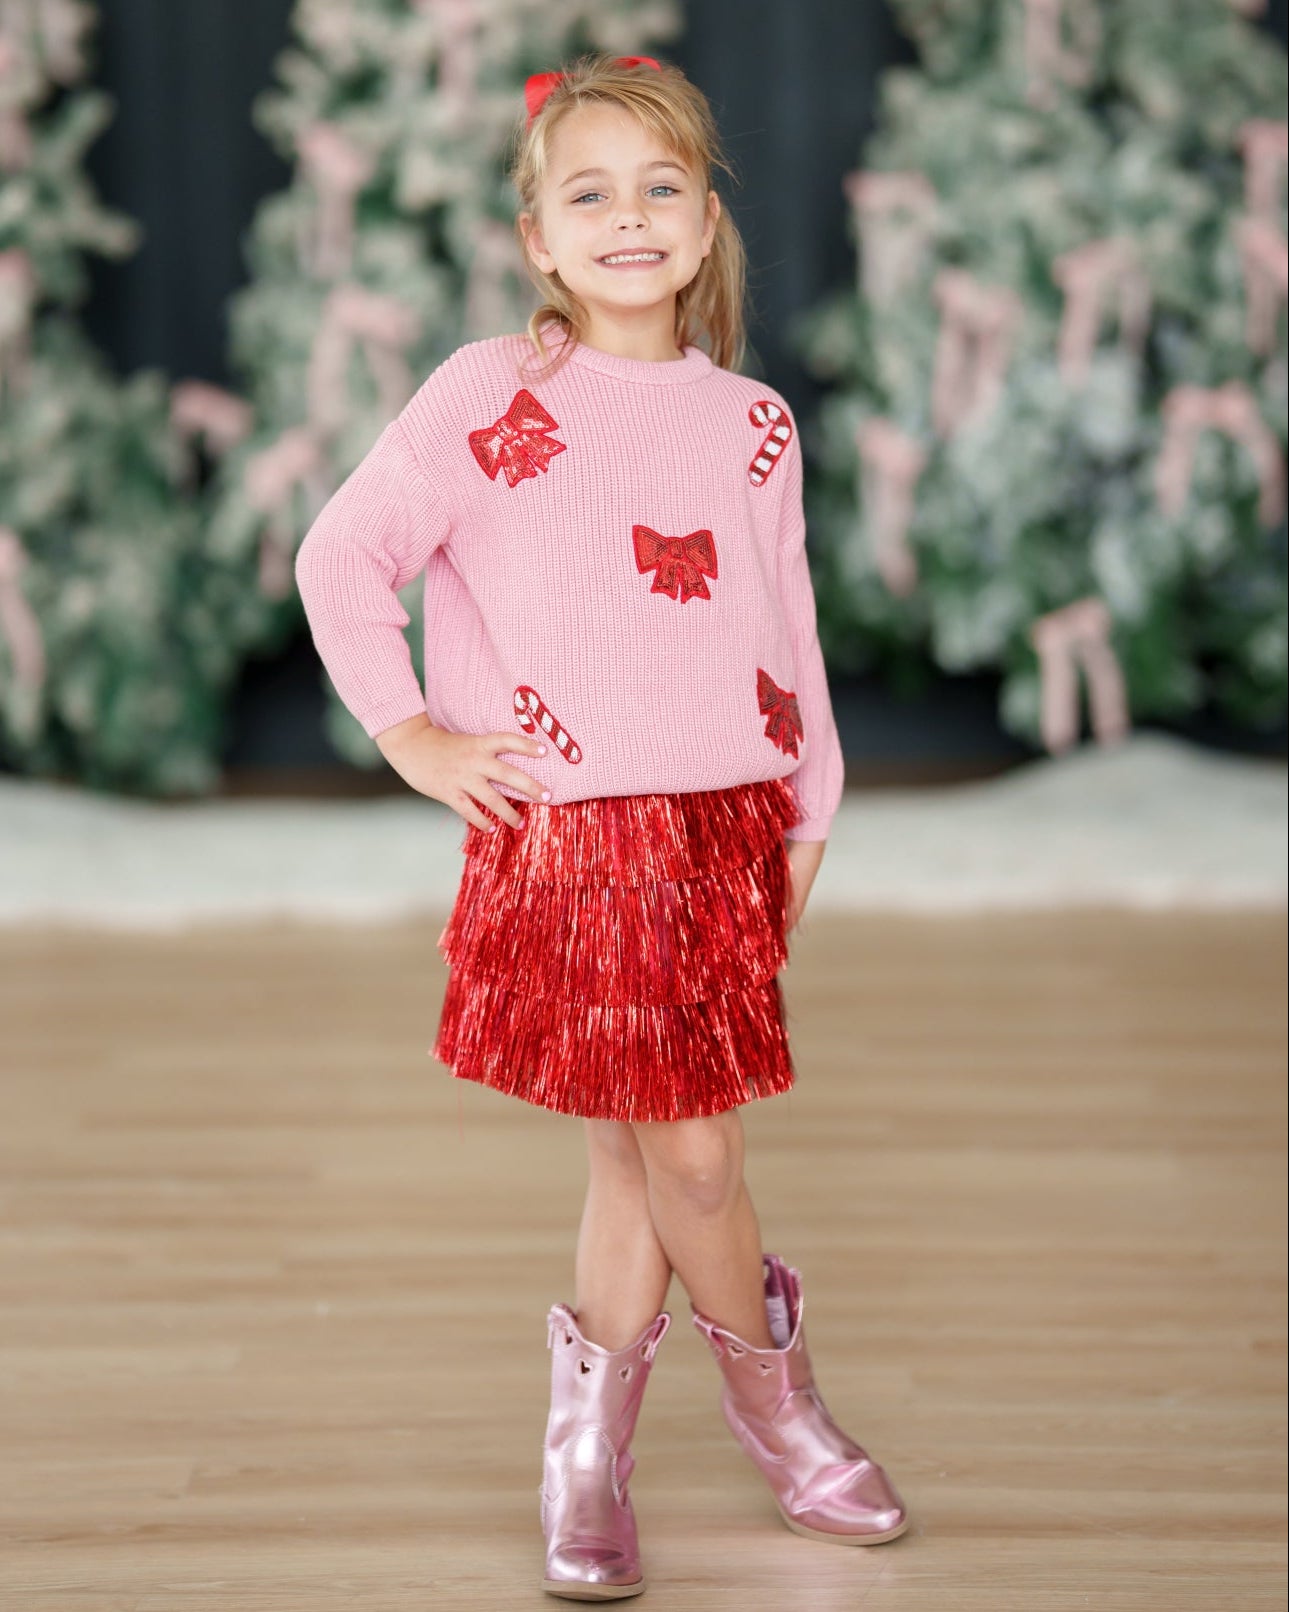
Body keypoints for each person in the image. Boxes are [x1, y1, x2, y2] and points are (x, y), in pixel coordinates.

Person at [294, 51, 908, 1603]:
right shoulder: (491, 397)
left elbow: (787, 634)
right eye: (589, 194)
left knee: (641, 1163)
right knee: (686, 1149)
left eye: (660, 188)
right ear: (537, 240)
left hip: (723, 834)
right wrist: (416, 734)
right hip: (569, 844)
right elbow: (341, 557)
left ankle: (591, 1453)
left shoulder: (752, 422)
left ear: (703, 228)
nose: (627, 218)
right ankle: (780, 1414)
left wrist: (806, 813)